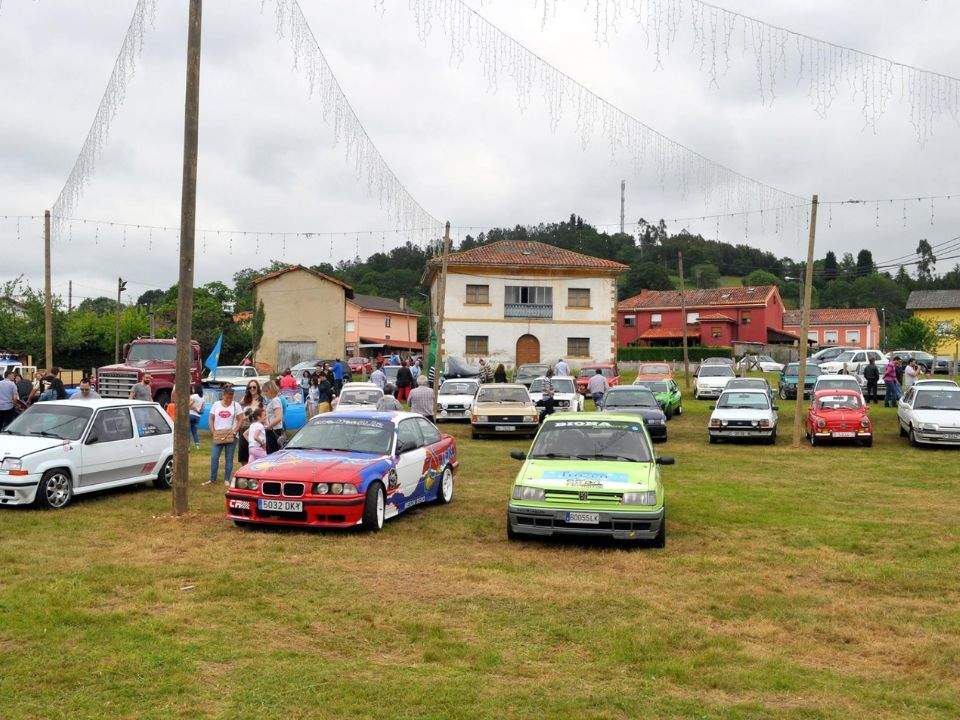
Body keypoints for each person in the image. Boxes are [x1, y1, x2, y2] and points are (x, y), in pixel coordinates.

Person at [207, 386, 242, 485]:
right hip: (218, 434)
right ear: (223, 395)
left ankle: (227, 479)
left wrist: (235, 431)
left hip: (231, 436)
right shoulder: (216, 405)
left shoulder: (236, 405)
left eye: (231, 398)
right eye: (227, 398)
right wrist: (213, 431)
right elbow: (211, 418)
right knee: (214, 457)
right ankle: (212, 479)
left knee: (229, 458)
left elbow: (241, 419)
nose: (229, 400)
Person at [237, 380, 264, 464]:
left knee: (255, 452)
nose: (252, 389)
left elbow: (263, 413)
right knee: (243, 454)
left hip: (255, 429)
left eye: (254, 387)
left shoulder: (261, 400)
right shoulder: (244, 399)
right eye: (250, 387)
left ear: (257, 388)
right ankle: (245, 472)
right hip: (243, 428)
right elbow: (238, 411)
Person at [262, 381, 285, 453]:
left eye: (266, 391)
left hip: (274, 430)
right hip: (272, 430)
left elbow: (278, 417)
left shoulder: (275, 400)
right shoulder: (272, 400)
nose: (265, 393)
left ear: (270, 390)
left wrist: (268, 426)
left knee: (273, 454)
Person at [188, 384, 204, 449]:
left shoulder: (193, 396)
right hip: (197, 417)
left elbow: (189, 405)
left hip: (190, 415)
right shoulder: (202, 398)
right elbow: (202, 409)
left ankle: (188, 446)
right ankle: (197, 446)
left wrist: (192, 407)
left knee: (188, 431)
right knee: (194, 432)